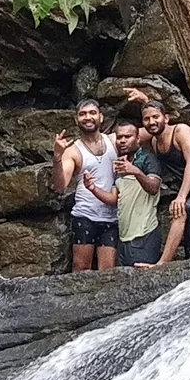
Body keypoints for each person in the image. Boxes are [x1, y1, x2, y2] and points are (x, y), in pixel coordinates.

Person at [125, 90, 190, 267]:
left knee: (180, 210)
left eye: (156, 117)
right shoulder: (155, 142)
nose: (151, 122)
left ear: (167, 118)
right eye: (146, 119)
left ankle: (162, 264)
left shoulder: (181, 131)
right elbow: (126, 135)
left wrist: (181, 197)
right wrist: (145, 101)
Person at [83, 121, 163, 267]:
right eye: (119, 137)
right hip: (124, 236)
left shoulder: (148, 159)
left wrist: (135, 171)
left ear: (138, 139)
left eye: (128, 137)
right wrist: (92, 188)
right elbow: (114, 199)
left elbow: (153, 187)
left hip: (144, 233)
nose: (123, 141)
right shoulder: (119, 165)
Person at [52, 99, 118, 271]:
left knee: (108, 271)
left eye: (92, 113)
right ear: (76, 119)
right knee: (81, 267)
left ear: (101, 117)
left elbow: (146, 133)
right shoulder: (73, 151)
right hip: (85, 216)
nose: (88, 117)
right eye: (82, 114)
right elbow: (60, 186)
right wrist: (58, 158)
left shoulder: (115, 141)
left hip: (112, 217)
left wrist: (145, 100)